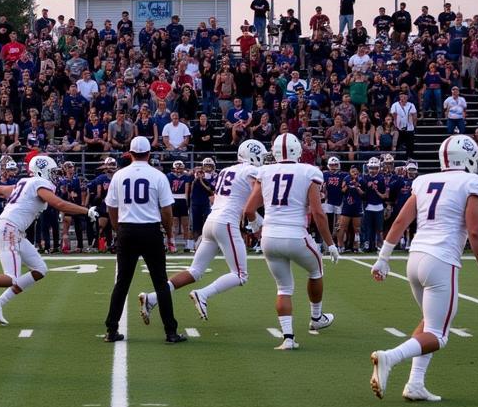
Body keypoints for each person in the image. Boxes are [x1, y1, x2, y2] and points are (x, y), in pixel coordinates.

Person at [368, 136, 478, 402]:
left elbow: (401, 219)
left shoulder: (423, 180)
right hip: (440, 260)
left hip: (415, 258)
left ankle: (415, 384)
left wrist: (383, 257)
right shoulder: (473, 181)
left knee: (428, 324)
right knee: (438, 335)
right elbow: (475, 230)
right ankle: (390, 357)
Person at [139, 138, 268, 326]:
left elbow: (227, 198)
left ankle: (152, 298)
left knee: (195, 271)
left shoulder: (225, 170)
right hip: (226, 222)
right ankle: (203, 294)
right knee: (240, 275)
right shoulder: (252, 171)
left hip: (212, 220)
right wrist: (259, 223)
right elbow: (256, 199)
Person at [0, 154, 96, 325]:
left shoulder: (23, 183)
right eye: (52, 171)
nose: (54, 175)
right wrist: (86, 211)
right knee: (11, 277)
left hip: (12, 231)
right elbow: (60, 205)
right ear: (41, 171)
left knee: (40, 269)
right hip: (9, 230)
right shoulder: (38, 184)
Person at [243, 132, 338, 350]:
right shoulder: (309, 171)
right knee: (316, 271)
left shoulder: (264, 171)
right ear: (298, 150)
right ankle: (316, 318)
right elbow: (318, 212)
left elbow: (249, 209)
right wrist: (330, 244)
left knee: (283, 287)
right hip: (296, 234)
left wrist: (258, 229)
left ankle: (288, 338)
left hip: (270, 237)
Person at [104, 137, 185, 344]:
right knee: (160, 283)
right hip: (150, 230)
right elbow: (166, 210)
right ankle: (170, 332)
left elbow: (111, 208)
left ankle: (111, 330)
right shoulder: (157, 176)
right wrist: (169, 233)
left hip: (127, 229)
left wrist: (117, 228)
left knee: (122, 282)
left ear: (130, 153)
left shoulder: (119, 175)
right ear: (149, 154)